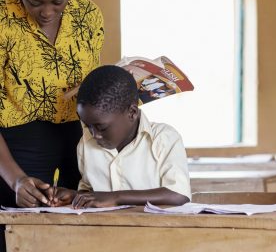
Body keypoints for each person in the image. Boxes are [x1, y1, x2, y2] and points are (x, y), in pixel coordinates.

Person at [0, 0, 104, 209]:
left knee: (79, 231)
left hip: (80, 140)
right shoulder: (2, 21)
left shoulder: (87, 15)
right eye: (34, 1)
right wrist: (16, 179)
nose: (47, 12)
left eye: (59, 1)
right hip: (14, 148)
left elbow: (88, 82)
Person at [52, 65, 191, 208]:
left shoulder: (164, 138)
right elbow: (91, 192)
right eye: (88, 126)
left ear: (132, 112)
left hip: (153, 229)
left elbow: (178, 195)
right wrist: (75, 196)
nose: (95, 135)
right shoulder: (85, 144)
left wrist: (116, 198)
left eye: (102, 127)